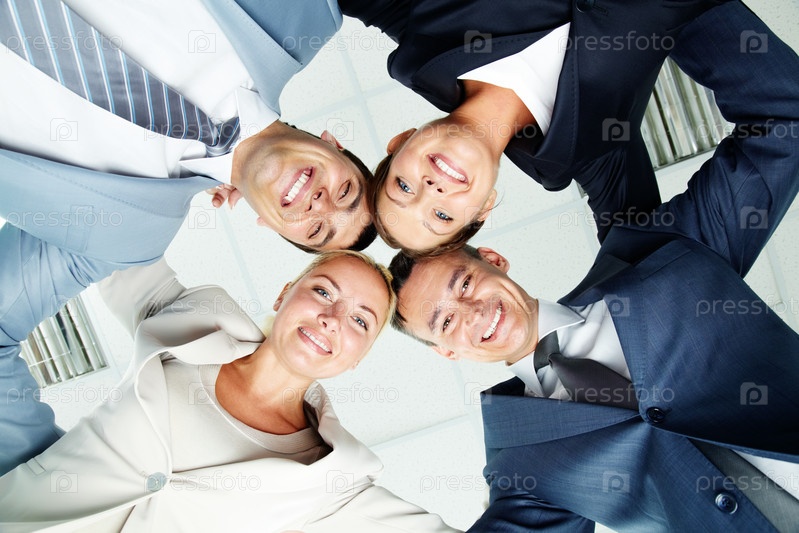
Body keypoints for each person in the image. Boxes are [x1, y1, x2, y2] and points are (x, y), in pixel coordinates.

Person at [384, 4, 799, 529]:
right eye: (445, 321)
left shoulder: (662, 257)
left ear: (493, 260)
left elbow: (783, 121)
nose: (472, 313)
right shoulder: (519, 460)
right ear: (447, 351)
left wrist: (664, 12)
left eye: (464, 283)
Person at [0, 251, 457, 532]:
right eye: (323, 292)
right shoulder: (196, 322)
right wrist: (206, 171)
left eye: (360, 320)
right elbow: (119, 243)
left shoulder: (333, 480)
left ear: (358, 358)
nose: (332, 319)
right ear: (283, 295)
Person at [341, 0, 775, 254]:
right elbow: (641, 264)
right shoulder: (589, 154)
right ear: (484, 207)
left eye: (402, 187)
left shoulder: (419, 32)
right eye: (441, 216)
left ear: (401, 142)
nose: (430, 191)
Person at [0, 0, 377, 253]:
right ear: (334, 144)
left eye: (315, 229)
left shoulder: (126, 233)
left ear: (268, 225)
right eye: (345, 191)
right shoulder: (304, 14)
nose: (319, 203)